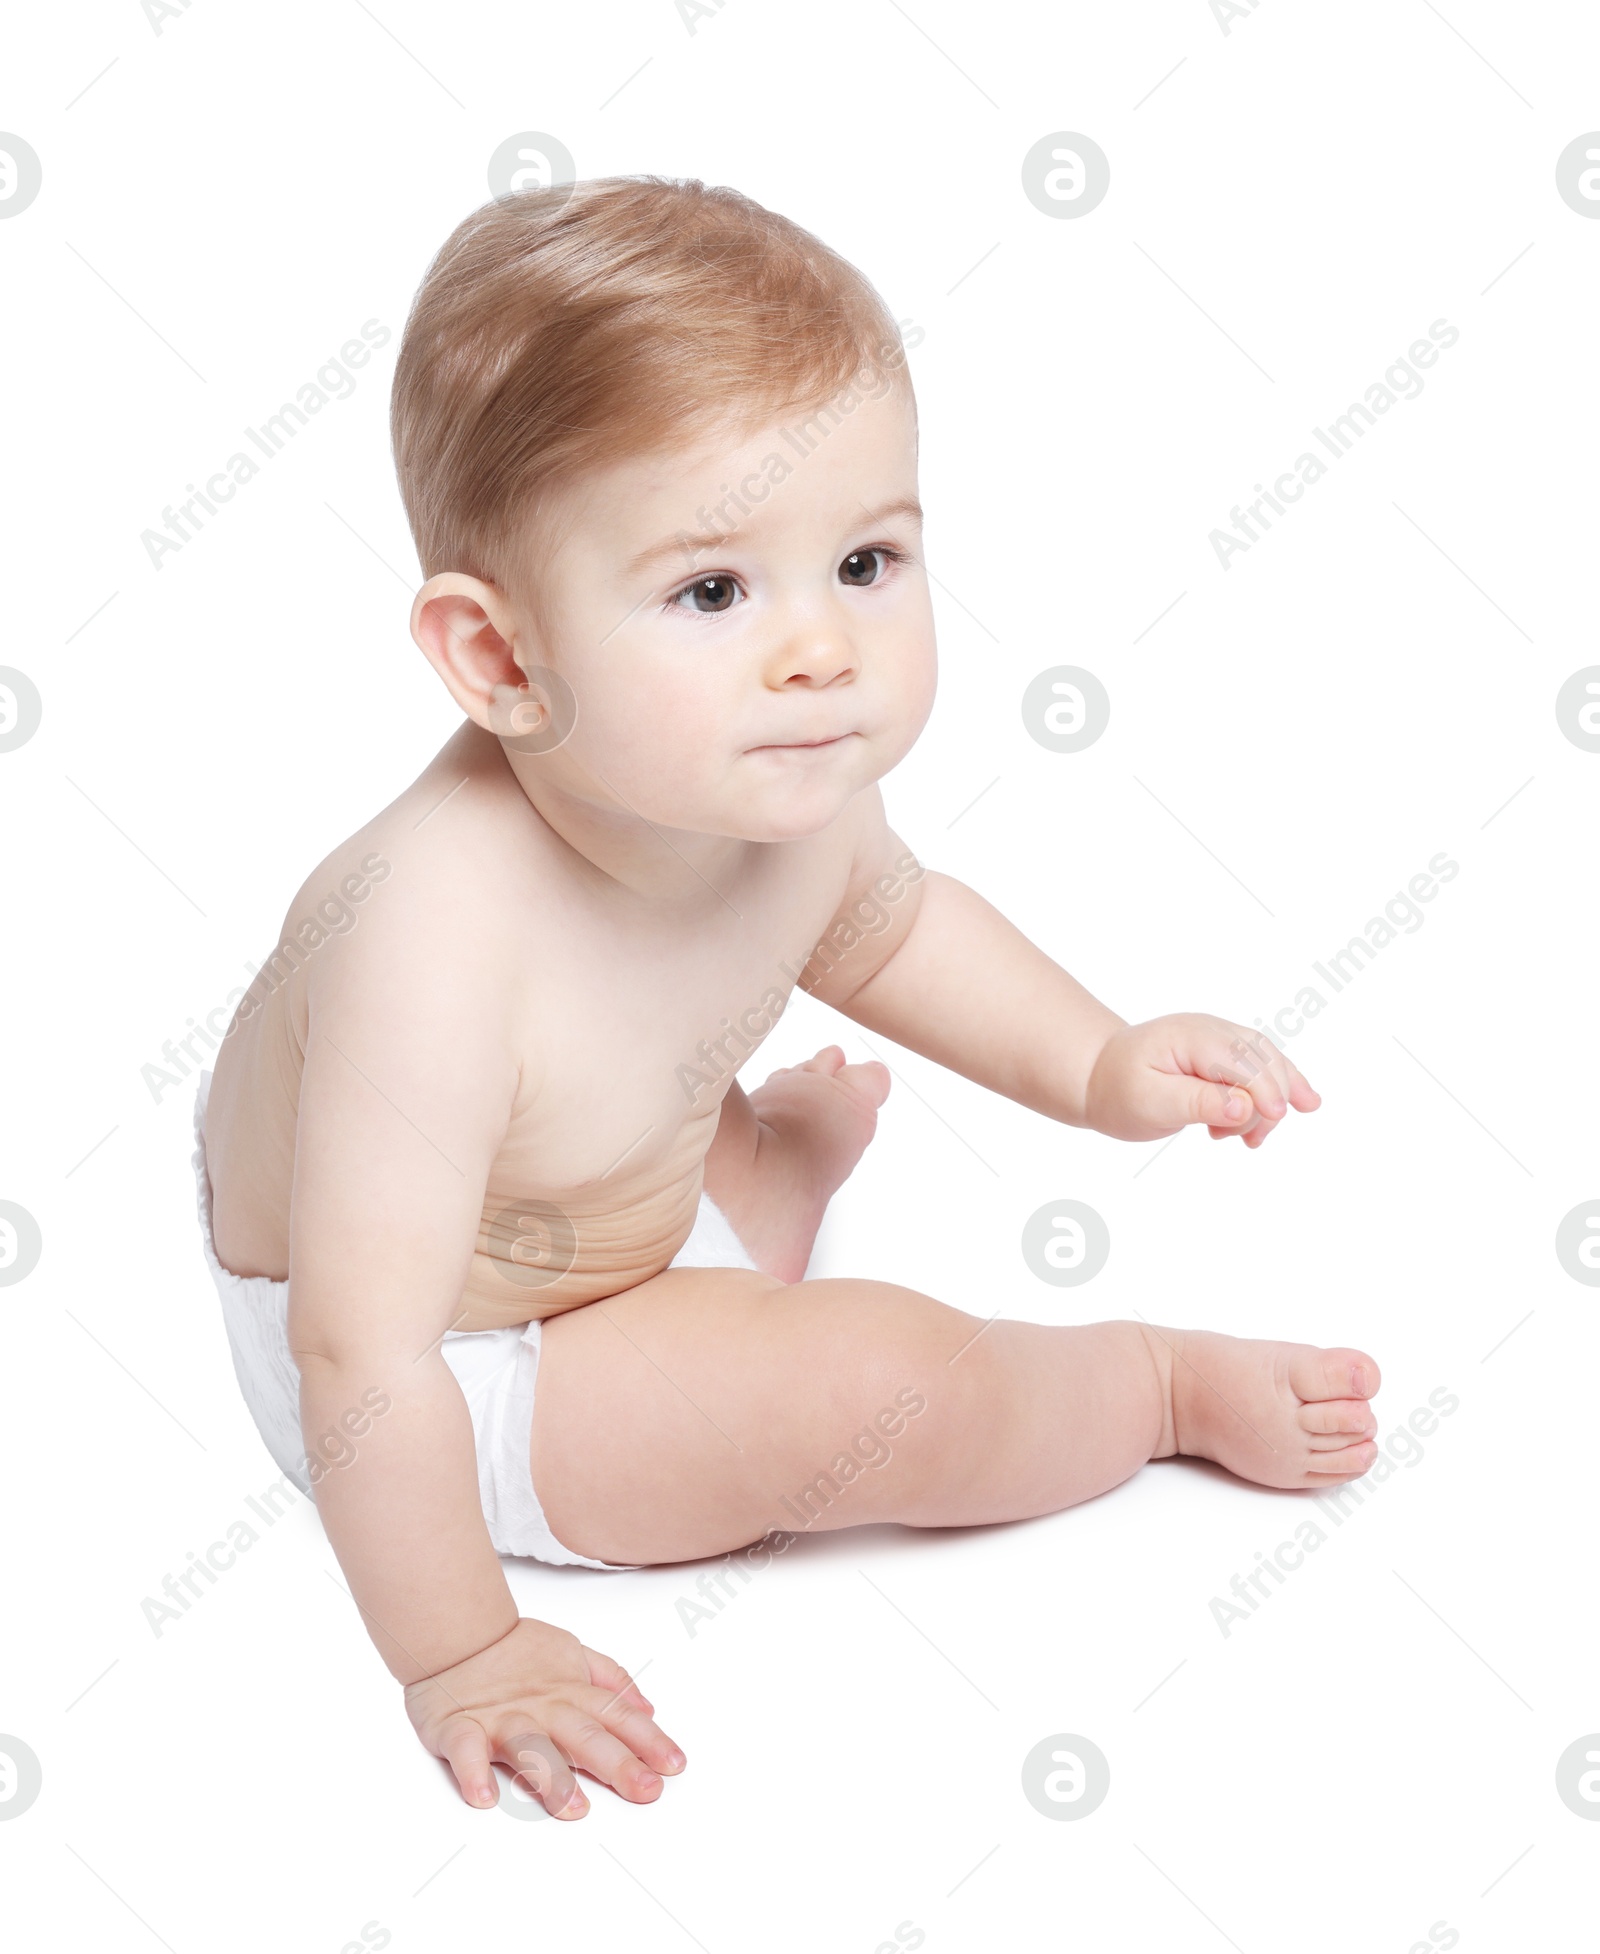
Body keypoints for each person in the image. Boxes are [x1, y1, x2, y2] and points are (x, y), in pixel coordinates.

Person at [196, 176, 1379, 1822]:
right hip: (435, 1359)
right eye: (711, 592)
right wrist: (458, 1649)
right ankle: (1149, 1385)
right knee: (868, 1389)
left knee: (662, 1116)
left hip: (575, 1194)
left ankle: (755, 1176)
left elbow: (890, 930)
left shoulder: (763, 785)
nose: (820, 648)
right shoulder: (437, 949)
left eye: (865, 558)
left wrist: (1099, 1060)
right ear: (500, 660)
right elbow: (360, 1348)